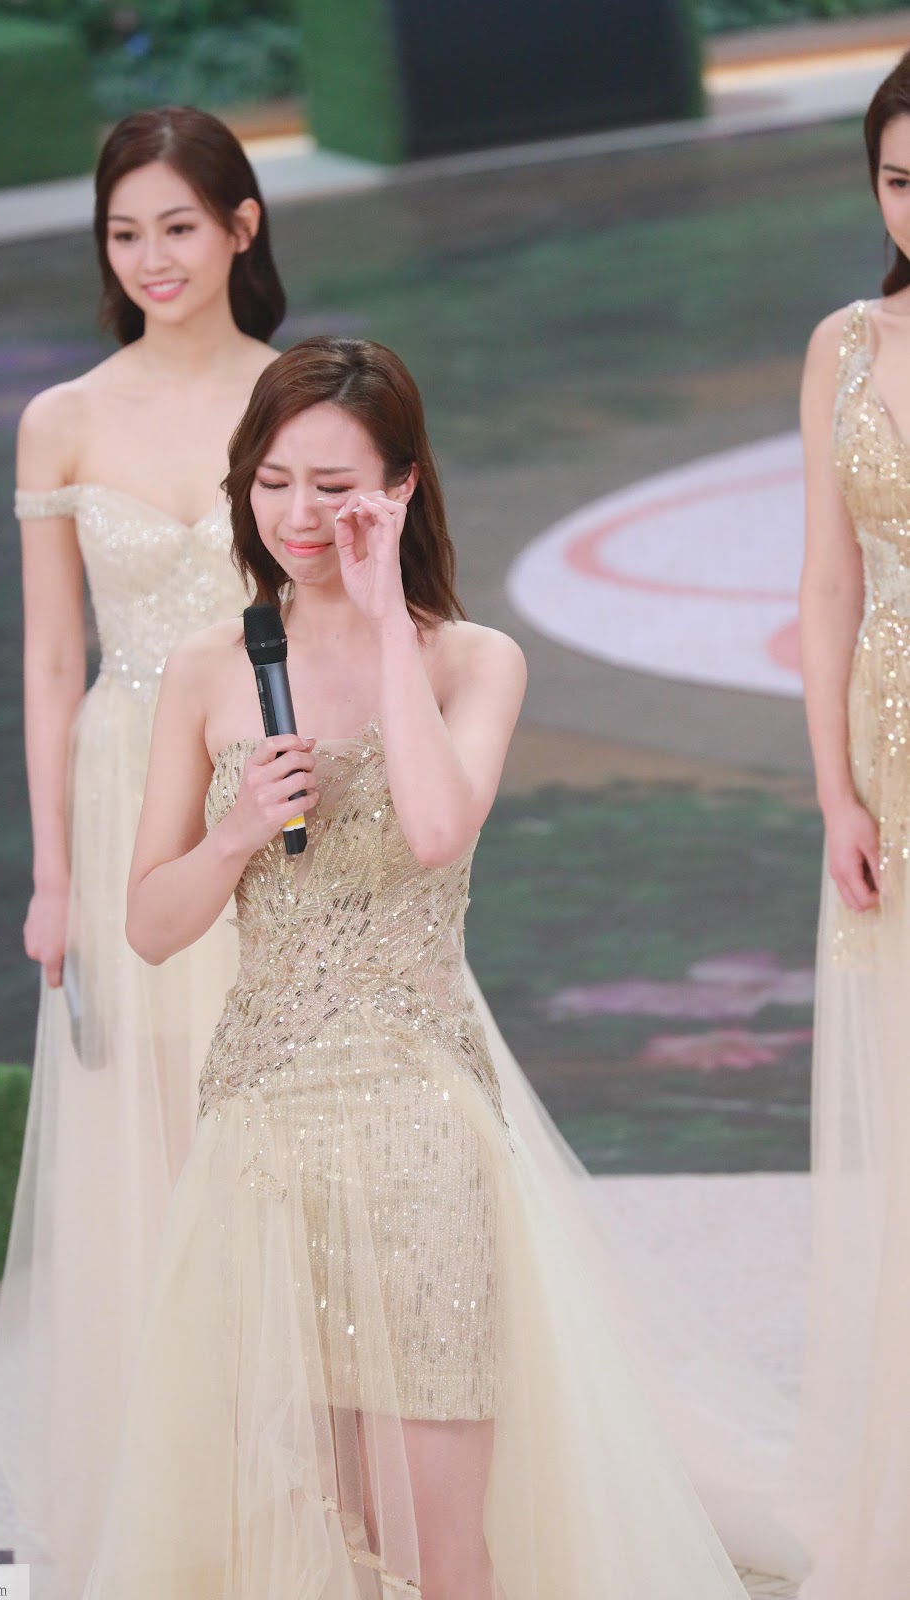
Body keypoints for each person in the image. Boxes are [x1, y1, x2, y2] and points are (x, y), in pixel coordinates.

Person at [79, 335, 750, 1600]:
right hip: (261, 1130)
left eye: (334, 487)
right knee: (313, 1524)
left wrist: (385, 618)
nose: (297, 516)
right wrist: (231, 833)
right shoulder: (210, 670)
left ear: (399, 487)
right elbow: (151, 926)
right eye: (272, 481)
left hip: (419, 1126)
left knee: (438, 1540)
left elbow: (438, 829)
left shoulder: (470, 660)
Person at [0, 106, 283, 1598]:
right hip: (122, 794)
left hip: (266, 779)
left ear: (241, 226)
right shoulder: (63, 418)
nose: (151, 257)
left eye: (178, 225)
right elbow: (53, 659)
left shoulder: (296, 394)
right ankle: (185, 1484)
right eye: (124, 232)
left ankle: (306, 1461)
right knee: (151, 1141)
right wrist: (53, 875)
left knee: (278, 1108)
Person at [793, 48, 910, 1600]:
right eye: (894, 181)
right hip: (891, 749)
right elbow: (824, 581)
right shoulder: (839, 345)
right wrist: (832, 789)